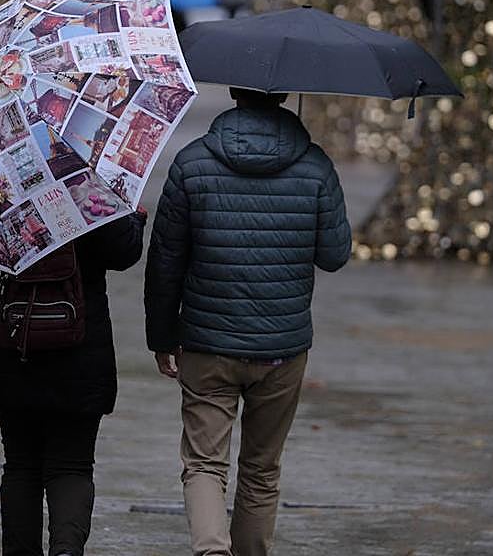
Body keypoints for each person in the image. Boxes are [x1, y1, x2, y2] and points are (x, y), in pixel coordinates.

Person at [144, 88, 351, 556]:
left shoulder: (192, 162)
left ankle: (212, 551)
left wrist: (162, 335)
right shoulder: (315, 166)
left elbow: (165, 260)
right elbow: (335, 255)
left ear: (235, 93)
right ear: (284, 95)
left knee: (203, 463)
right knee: (261, 470)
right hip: (283, 347)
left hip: (206, 343)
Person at [0, 210, 147, 556]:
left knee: (21, 466)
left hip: (12, 350)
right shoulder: (85, 185)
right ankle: (66, 550)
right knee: (72, 465)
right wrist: (132, 217)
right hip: (80, 354)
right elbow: (124, 252)